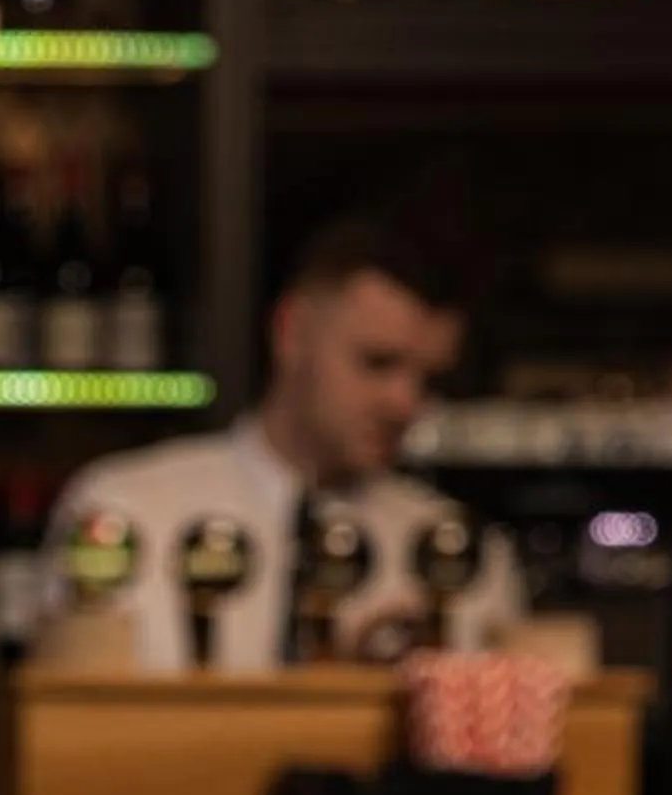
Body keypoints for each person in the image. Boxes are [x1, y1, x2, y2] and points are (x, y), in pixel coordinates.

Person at [46, 215, 518, 674]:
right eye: (377, 363)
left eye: (428, 379)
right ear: (290, 332)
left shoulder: (458, 553)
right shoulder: (126, 514)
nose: (405, 403)